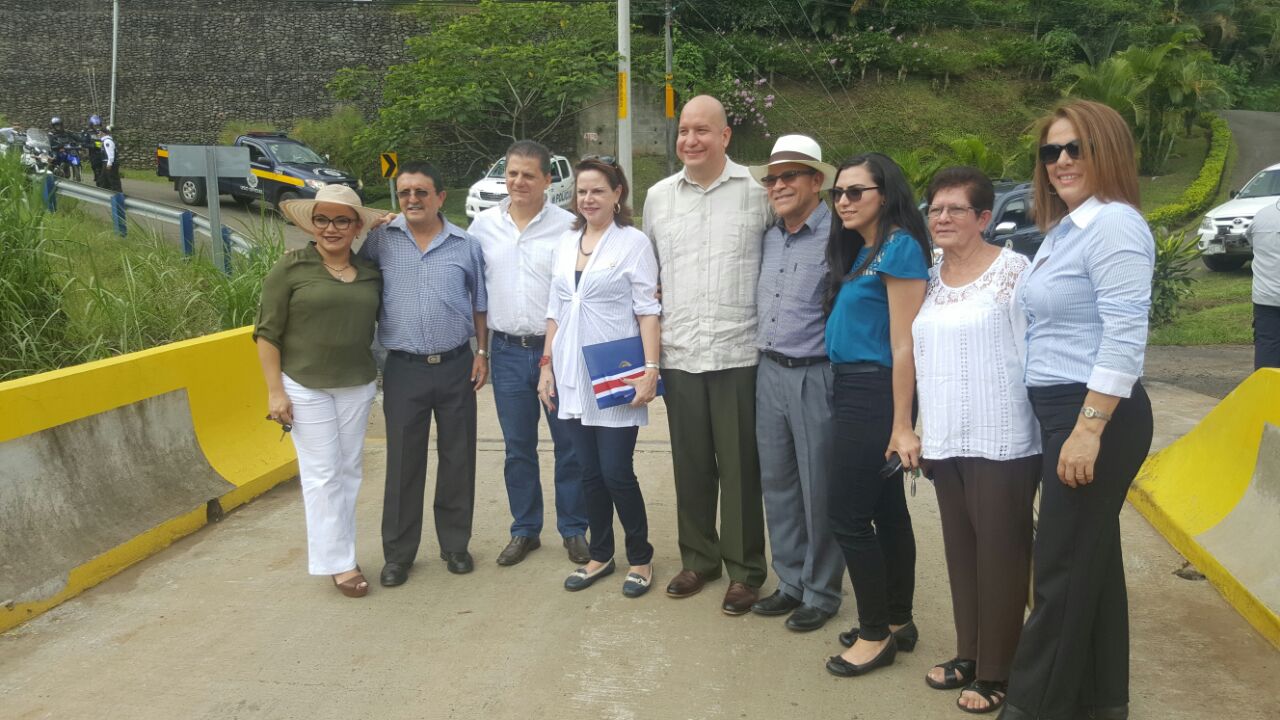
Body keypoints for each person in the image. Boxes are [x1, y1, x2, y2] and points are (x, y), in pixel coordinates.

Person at [998, 100, 1155, 720]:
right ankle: (1100, 701)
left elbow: (1124, 334)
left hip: (1094, 415)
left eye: (1076, 148)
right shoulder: (1067, 229)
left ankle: (1033, 708)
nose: (1061, 161)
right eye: (1050, 152)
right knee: (1091, 563)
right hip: (1066, 412)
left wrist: (1088, 429)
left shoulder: (1114, 225)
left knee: (1060, 572)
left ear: (1107, 150)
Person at [911, 167, 1042, 713]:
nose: (941, 218)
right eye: (935, 209)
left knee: (1002, 554)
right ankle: (970, 653)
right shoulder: (931, 274)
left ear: (984, 218)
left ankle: (999, 671)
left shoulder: (1014, 271)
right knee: (962, 553)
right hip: (945, 436)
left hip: (1004, 437)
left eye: (955, 210)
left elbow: (1033, 353)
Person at [643, 95, 772, 615]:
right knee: (690, 464)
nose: (690, 140)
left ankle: (745, 569)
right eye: (683, 131)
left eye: (702, 130)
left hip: (739, 351)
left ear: (725, 137)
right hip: (680, 353)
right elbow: (646, 273)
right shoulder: (658, 197)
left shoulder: (758, 192)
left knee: (741, 467)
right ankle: (699, 557)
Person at [821, 153, 931, 678]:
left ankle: (873, 634)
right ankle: (897, 620)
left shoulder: (900, 247)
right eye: (837, 193)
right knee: (886, 511)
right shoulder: (866, 249)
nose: (843, 201)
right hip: (853, 386)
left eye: (855, 191)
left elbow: (905, 344)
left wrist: (903, 423)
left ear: (884, 194)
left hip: (874, 391)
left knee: (846, 514)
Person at [358, 161, 489, 587]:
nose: (412, 200)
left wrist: (481, 351)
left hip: (455, 365)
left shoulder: (465, 245)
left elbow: (479, 303)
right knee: (403, 463)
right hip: (404, 368)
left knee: (458, 457)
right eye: (404, 193)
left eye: (421, 192)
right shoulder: (382, 240)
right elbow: (348, 272)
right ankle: (398, 555)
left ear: (440, 197)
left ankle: (455, 545)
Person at [253, 184, 387, 598]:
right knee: (322, 473)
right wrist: (276, 393)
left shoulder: (369, 273)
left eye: (342, 220)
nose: (331, 228)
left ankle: (341, 552)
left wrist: (391, 222)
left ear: (356, 227)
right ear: (312, 224)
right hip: (305, 384)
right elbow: (266, 334)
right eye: (323, 219)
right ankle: (339, 564)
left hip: (357, 383)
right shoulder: (291, 268)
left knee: (348, 472)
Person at [539, 157, 661, 597]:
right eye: (582, 191)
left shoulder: (632, 243)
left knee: (616, 471)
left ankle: (641, 557)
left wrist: (651, 371)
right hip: (569, 372)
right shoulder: (565, 242)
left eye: (597, 191)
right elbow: (554, 309)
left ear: (617, 195)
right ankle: (601, 553)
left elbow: (648, 311)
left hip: (613, 374)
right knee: (587, 471)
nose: (588, 198)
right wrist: (546, 365)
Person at [469, 140, 590, 566]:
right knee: (517, 447)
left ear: (548, 180)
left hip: (556, 352)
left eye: (528, 175)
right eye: (512, 173)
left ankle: (574, 529)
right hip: (504, 351)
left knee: (568, 446)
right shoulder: (482, 227)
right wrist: (480, 350)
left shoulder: (568, 227)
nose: (518, 182)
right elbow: (476, 294)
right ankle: (525, 529)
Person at [745, 135, 845, 632]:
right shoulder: (769, 235)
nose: (779, 185)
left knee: (819, 488)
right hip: (769, 371)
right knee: (778, 484)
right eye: (773, 178)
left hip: (816, 374)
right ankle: (790, 582)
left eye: (790, 176)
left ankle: (823, 590)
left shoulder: (841, 236)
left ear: (816, 181)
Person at [1246, 199, 1280, 369]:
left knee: (1267, 347)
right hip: (1266, 296)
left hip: (1266, 297)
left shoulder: (1262, 216)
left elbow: (1250, 241)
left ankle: (1267, 392)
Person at [98, 126, 122, 192]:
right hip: (107, 162)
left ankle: (118, 195)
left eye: (99, 132)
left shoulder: (107, 141)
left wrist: (109, 164)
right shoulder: (105, 141)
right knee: (103, 180)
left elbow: (110, 154)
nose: (98, 134)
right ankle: (105, 194)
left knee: (113, 180)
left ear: (103, 133)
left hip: (110, 163)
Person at [83, 115, 104, 186]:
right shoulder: (88, 133)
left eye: (98, 126)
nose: (97, 127)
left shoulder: (103, 132)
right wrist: (92, 146)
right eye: (95, 126)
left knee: (105, 170)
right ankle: (99, 184)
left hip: (103, 154)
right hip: (94, 154)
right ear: (91, 125)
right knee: (97, 169)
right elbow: (84, 144)